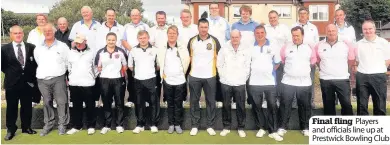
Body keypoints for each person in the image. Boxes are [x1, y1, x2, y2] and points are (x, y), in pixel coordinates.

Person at [278, 26, 316, 137]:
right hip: (288, 81)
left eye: (297, 35)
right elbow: (283, 60)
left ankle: (305, 127)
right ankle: (282, 127)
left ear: (302, 35)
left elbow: (313, 62)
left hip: (304, 82)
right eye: (293, 35)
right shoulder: (286, 47)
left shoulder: (309, 47)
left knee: (305, 106)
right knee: (285, 105)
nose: (295, 38)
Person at [2, 25, 38, 141]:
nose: (18, 35)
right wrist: (13, 73)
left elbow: (34, 65)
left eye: (20, 33)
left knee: (26, 107)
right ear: (11, 35)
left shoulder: (31, 47)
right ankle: (11, 130)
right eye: (15, 33)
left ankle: (26, 127)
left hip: (27, 83)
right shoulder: (4, 49)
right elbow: (3, 66)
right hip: (12, 83)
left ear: (23, 34)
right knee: (11, 108)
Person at [34, 23, 70, 136]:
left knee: (62, 102)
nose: (48, 32)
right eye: (45, 31)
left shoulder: (63, 46)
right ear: (43, 33)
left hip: (58, 78)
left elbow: (67, 62)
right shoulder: (38, 48)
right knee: (47, 103)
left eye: (50, 30)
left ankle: (62, 125)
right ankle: (48, 124)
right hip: (42, 80)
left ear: (54, 31)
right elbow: (38, 61)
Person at [248, 25, 283, 141]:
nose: (259, 35)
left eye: (262, 32)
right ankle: (262, 128)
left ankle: (273, 130)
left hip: (269, 82)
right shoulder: (250, 47)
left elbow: (277, 62)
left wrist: (269, 70)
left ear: (265, 33)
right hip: (254, 82)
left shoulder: (273, 46)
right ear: (254, 34)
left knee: (272, 106)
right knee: (257, 106)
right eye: (257, 33)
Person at [187, 18, 221, 136]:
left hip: (210, 76)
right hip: (195, 76)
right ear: (198, 28)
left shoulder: (214, 41)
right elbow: (188, 58)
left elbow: (220, 57)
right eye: (201, 27)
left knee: (211, 101)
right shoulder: (192, 41)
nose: (203, 29)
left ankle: (210, 125)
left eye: (205, 27)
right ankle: (195, 125)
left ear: (208, 28)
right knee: (194, 101)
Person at [314, 24, 354, 116]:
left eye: (333, 31)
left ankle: (349, 126)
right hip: (326, 79)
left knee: (346, 104)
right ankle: (330, 127)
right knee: (328, 106)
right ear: (326, 32)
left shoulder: (346, 43)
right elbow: (317, 59)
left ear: (337, 31)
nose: (331, 33)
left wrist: (344, 70)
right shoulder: (319, 45)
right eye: (329, 31)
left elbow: (351, 59)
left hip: (342, 79)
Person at [157, 25, 190, 134]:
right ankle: (171, 124)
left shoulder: (182, 47)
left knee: (178, 103)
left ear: (177, 35)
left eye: (174, 33)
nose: (172, 35)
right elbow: (159, 62)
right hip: (168, 81)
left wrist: (181, 73)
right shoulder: (162, 47)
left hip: (180, 81)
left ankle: (178, 124)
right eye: (170, 33)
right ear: (167, 35)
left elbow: (187, 61)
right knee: (170, 104)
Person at [217, 30, 250, 138]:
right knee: (226, 105)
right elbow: (219, 64)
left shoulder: (246, 48)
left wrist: (243, 78)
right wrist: (223, 77)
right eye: (232, 37)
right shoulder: (224, 48)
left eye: (236, 37)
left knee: (241, 106)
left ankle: (241, 127)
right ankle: (226, 127)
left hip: (240, 82)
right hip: (226, 82)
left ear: (240, 37)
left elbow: (247, 66)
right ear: (230, 37)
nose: (234, 39)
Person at [69, 6, 102, 107]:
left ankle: (96, 101)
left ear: (91, 13)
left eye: (87, 12)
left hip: (96, 57)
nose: (85, 14)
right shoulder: (77, 25)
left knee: (95, 79)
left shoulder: (98, 25)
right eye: (83, 12)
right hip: (81, 56)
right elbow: (72, 42)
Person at [95, 32, 128, 134]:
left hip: (118, 79)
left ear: (116, 40)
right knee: (106, 102)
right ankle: (107, 125)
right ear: (106, 40)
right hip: (104, 80)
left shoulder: (121, 51)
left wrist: (119, 74)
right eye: (109, 40)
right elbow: (98, 67)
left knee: (119, 103)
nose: (111, 42)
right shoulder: (100, 52)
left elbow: (125, 66)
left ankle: (119, 125)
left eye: (113, 40)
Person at [355, 20, 390, 115]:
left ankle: (379, 127)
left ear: (374, 29)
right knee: (362, 105)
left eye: (370, 28)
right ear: (362, 30)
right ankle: (363, 127)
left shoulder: (383, 43)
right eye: (365, 29)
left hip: (378, 77)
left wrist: (378, 69)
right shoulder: (358, 44)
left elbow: (387, 60)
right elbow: (357, 61)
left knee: (380, 105)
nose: (368, 31)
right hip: (362, 77)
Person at [128, 30, 160, 134]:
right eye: (140, 38)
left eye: (144, 38)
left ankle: (153, 124)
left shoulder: (155, 50)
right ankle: (140, 124)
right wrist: (140, 73)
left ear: (148, 38)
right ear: (138, 39)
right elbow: (130, 66)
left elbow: (158, 65)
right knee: (139, 103)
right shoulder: (133, 50)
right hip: (138, 80)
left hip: (151, 79)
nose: (143, 40)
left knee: (153, 103)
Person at [65, 34, 97, 135]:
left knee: (90, 106)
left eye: (80, 42)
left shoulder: (92, 52)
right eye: (76, 42)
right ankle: (77, 126)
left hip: (88, 83)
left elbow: (95, 67)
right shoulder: (70, 53)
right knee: (76, 106)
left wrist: (92, 77)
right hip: (74, 83)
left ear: (85, 41)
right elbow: (68, 67)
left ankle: (91, 126)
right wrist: (71, 77)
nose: (78, 44)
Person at [231, 4, 259, 109]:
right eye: (243, 13)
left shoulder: (255, 25)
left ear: (250, 14)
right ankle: (235, 101)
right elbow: (231, 40)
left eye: (247, 13)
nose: (245, 15)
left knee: (250, 80)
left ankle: (251, 101)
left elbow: (258, 40)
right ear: (240, 14)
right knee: (237, 79)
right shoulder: (235, 25)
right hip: (238, 56)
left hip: (251, 56)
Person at [122, 8, 150, 107]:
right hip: (130, 55)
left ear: (140, 16)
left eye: (136, 15)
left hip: (143, 56)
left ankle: (145, 99)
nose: (135, 17)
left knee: (144, 78)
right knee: (131, 78)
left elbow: (147, 40)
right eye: (133, 15)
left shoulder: (145, 26)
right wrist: (133, 51)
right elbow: (123, 41)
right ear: (130, 16)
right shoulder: (126, 26)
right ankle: (131, 99)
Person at [292, 7, 319, 108]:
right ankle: (294, 102)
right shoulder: (293, 26)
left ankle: (310, 101)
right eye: (301, 13)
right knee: (294, 79)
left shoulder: (313, 27)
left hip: (309, 59)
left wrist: (314, 58)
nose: (303, 15)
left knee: (310, 81)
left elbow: (316, 44)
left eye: (305, 13)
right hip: (296, 58)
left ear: (308, 15)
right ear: (298, 15)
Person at [264, 10, 291, 108]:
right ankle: (268, 100)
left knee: (281, 82)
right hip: (269, 60)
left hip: (283, 60)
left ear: (278, 17)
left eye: (274, 17)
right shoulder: (265, 28)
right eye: (270, 18)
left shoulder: (284, 28)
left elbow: (289, 43)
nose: (272, 19)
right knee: (269, 81)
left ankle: (280, 100)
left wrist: (284, 58)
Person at [27, 13, 47, 107]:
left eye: (42, 19)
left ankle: (50, 99)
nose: (41, 21)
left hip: (47, 59)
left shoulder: (50, 30)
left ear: (45, 20)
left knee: (48, 79)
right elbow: (28, 46)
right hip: (34, 59)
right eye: (39, 19)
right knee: (35, 79)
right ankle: (36, 99)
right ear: (36, 21)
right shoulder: (32, 32)